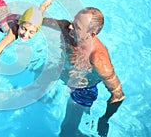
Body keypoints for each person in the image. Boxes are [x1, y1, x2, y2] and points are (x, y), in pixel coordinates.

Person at [42, 7, 125, 137]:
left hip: (82, 90)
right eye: (73, 22)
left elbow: (118, 95)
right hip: (63, 73)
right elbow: (37, 21)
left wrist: (104, 119)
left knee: (67, 131)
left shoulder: (98, 60)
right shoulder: (65, 28)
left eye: (77, 27)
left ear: (91, 34)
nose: (70, 27)